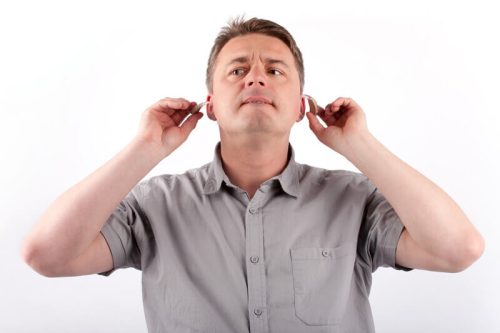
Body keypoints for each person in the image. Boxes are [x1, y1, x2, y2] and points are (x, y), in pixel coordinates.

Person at [21, 17, 484, 333]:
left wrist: (359, 145)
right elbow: (45, 255)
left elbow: (459, 249)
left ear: (303, 103)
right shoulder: (156, 205)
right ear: (210, 105)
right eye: (237, 70)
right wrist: (145, 148)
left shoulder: (352, 200)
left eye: (275, 70)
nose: (256, 78)